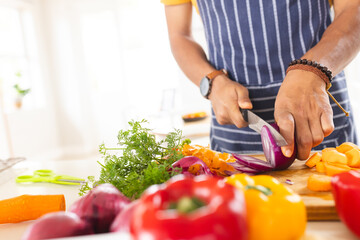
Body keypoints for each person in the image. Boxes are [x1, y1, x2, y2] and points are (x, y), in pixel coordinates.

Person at [161, 0, 360, 160]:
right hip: (234, 133)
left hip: (319, 121)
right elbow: (179, 35)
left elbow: (354, 10)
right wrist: (212, 83)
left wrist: (312, 69)